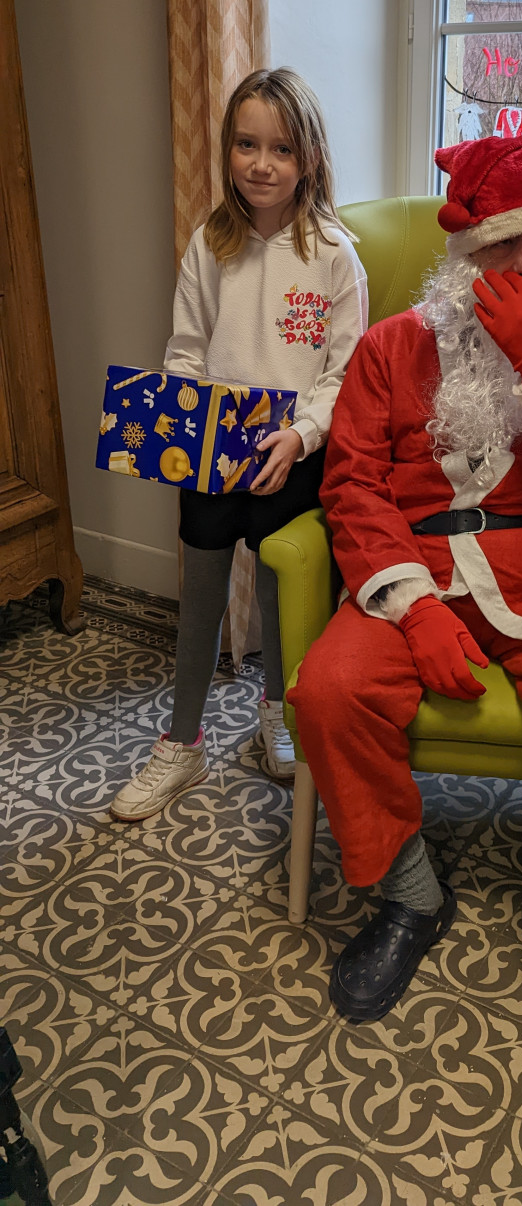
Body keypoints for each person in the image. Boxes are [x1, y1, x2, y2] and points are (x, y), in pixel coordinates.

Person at [288, 133, 522, 1044]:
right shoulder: (389, 348)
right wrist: (412, 606)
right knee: (329, 694)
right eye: (505, 245)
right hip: (415, 571)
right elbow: (353, 486)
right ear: (463, 257)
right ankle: (408, 897)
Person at [110, 67, 368, 821]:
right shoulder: (210, 244)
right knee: (203, 601)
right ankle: (181, 743)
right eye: (246, 145)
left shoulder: (333, 256)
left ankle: (275, 715)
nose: (262, 163)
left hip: (294, 456)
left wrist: (300, 434)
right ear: (228, 151)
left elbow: (345, 373)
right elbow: (185, 349)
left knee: (282, 598)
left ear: (309, 158)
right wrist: (184, 427)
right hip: (212, 454)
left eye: (281, 149)